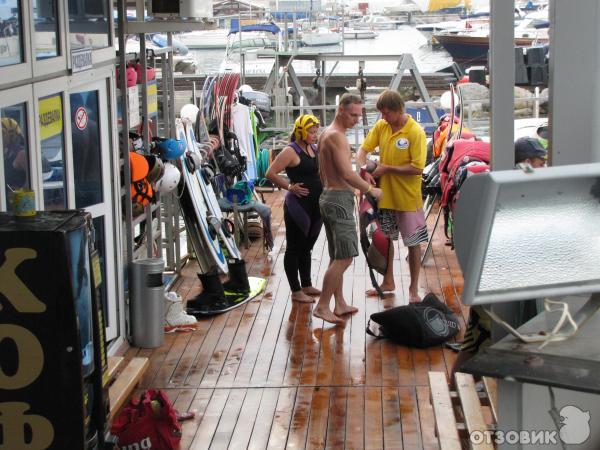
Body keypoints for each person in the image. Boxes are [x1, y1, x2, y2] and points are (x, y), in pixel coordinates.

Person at [315, 93, 382, 324]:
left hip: (329, 196)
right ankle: (323, 306)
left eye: (359, 115)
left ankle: (339, 303)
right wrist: (370, 190)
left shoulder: (326, 133)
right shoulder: (338, 137)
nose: (356, 119)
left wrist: (360, 178)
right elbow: (344, 173)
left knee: (336, 255)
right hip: (339, 199)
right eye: (353, 114)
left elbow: (332, 170)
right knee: (345, 258)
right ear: (340, 110)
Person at [357, 89, 427, 302]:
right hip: (385, 197)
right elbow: (363, 151)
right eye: (381, 113)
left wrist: (385, 168)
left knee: (413, 244)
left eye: (386, 113)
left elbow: (417, 168)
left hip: (408, 198)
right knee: (386, 240)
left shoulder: (415, 132)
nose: (383, 117)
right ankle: (389, 281)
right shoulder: (382, 126)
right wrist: (364, 171)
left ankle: (414, 289)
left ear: (399, 110)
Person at [266, 114, 324, 303]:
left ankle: (306, 284)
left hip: (316, 205)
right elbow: (270, 173)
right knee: (294, 248)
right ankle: (296, 290)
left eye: (316, 132)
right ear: (301, 132)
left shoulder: (314, 149)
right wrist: (289, 187)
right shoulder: (291, 151)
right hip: (298, 206)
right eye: (312, 132)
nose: (315, 135)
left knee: (307, 247)